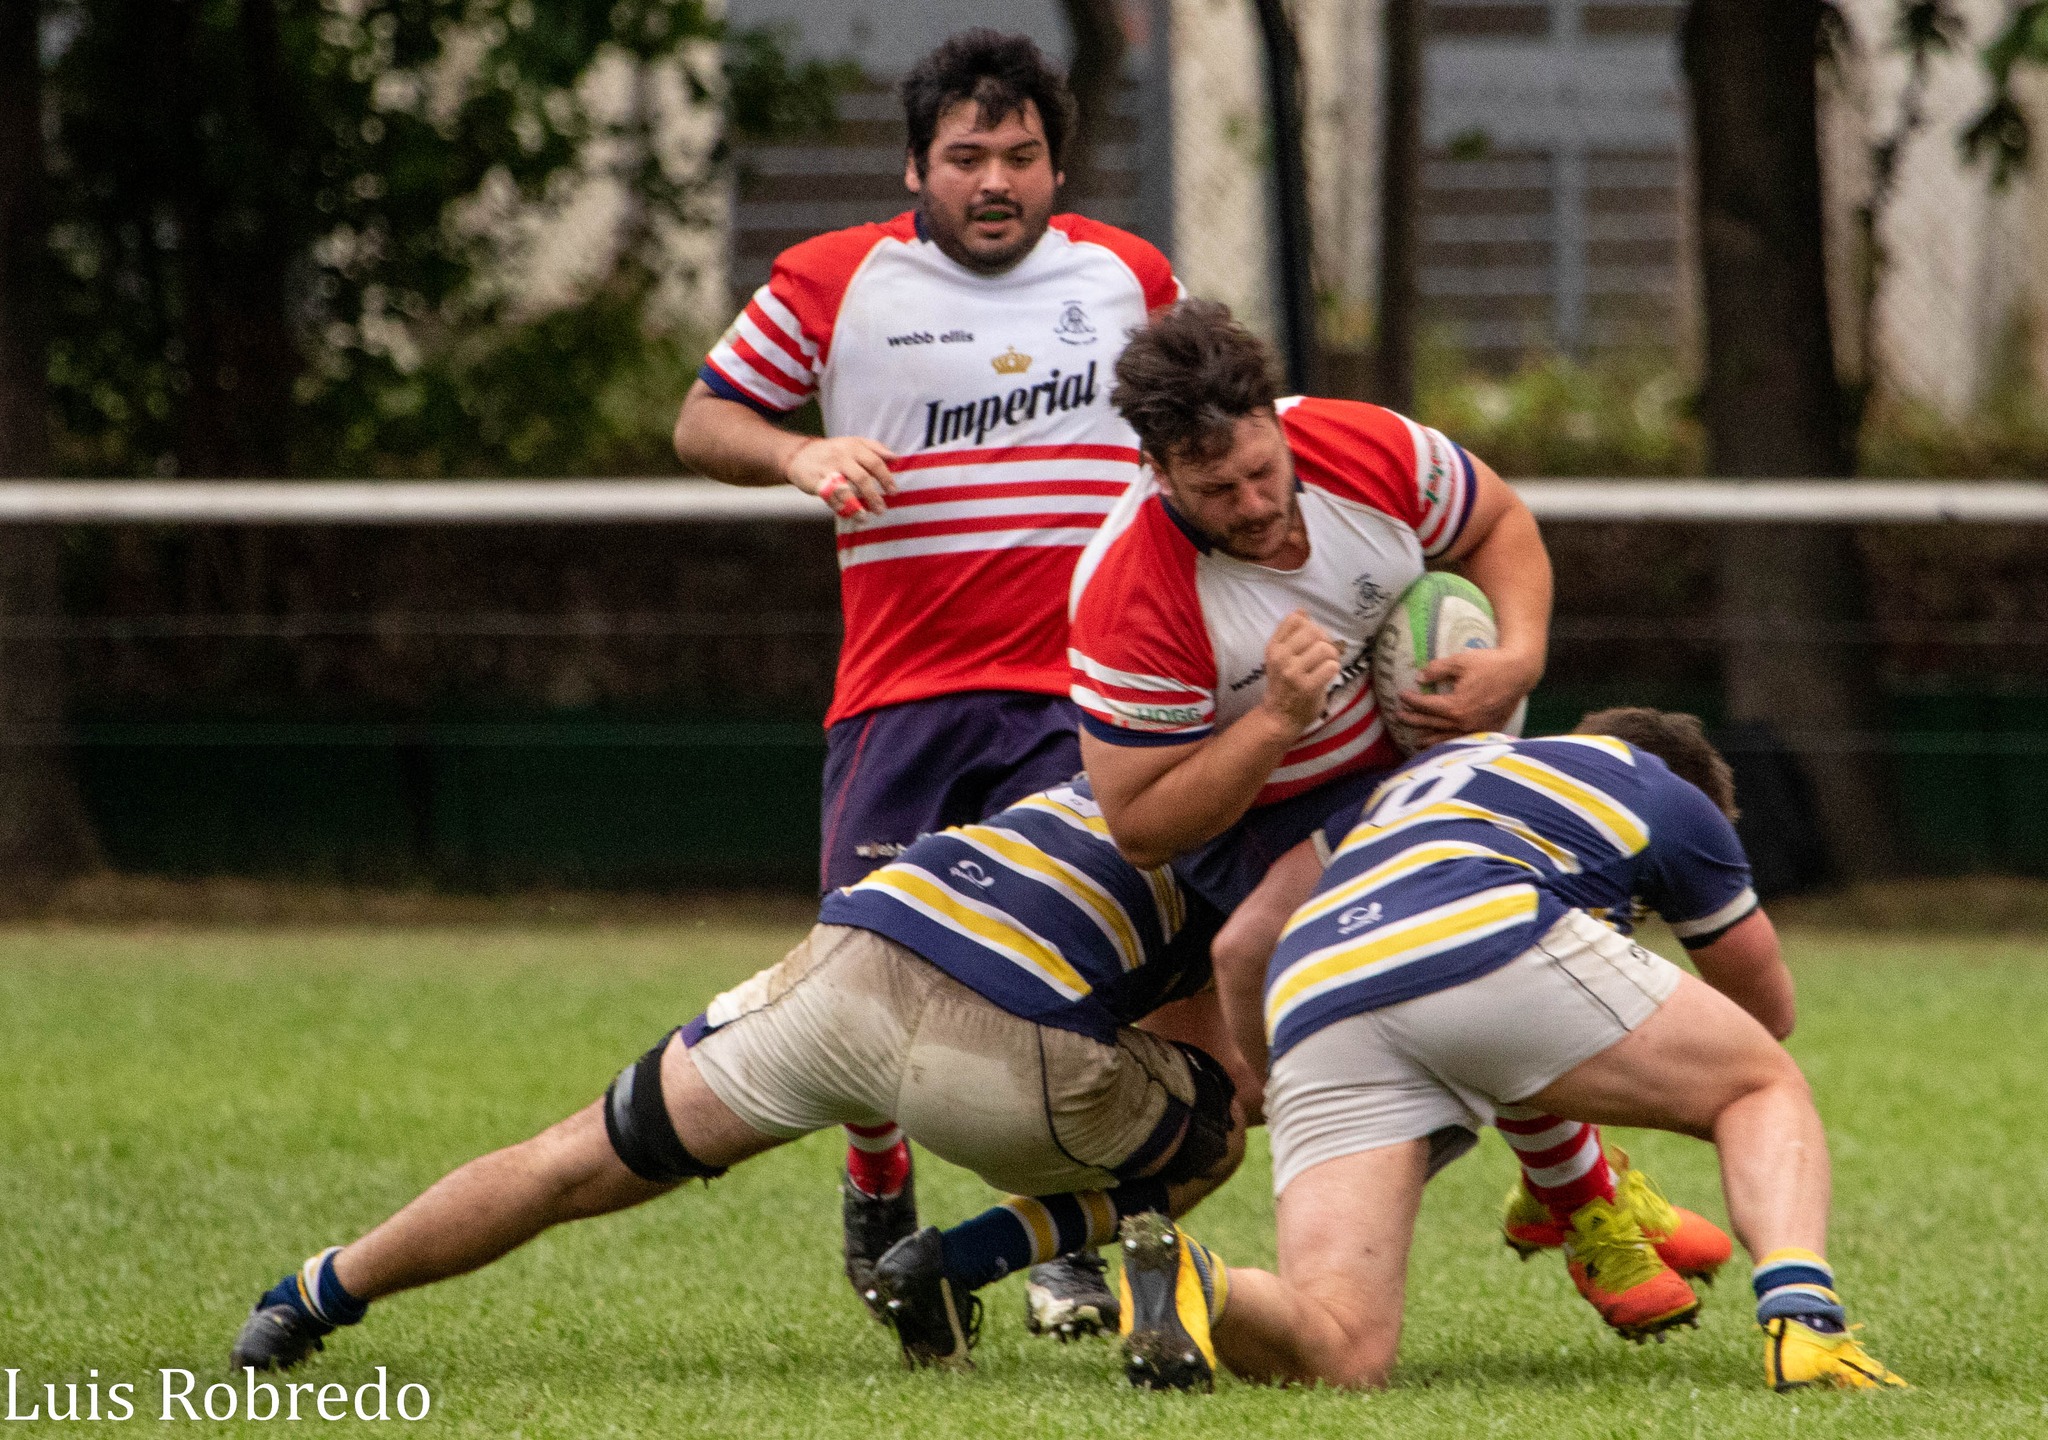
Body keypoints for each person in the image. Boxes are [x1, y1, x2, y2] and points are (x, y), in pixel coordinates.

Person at [1064, 300, 1725, 1310]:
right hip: (1256, 816)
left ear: (1276, 420)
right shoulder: (1130, 591)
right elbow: (1142, 825)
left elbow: (1497, 521)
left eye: (1262, 471)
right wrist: (1274, 721)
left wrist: (1517, 658)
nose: (1254, 504)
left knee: (1474, 951)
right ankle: (1575, 1188)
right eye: (1217, 491)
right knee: (1333, 976)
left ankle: (1580, 1199)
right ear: (1157, 472)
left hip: (1421, 757)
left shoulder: (1359, 448)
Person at [672, 30, 1184, 1326]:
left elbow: (1203, 427)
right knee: (865, 958)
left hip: (1082, 698)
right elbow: (703, 419)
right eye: (966, 156)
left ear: (1056, 166)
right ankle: (876, 1170)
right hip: (903, 698)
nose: (994, 179)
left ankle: (1061, 1245)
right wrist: (798, 457)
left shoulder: (1131, 277)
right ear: (916, 166)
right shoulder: (832, 278)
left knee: (1084, 971)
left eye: (1020, 154)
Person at [227, 781, 1244, 1377]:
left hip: (855, 954)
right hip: (1005, 1043)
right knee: (1216, 1136)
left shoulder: (1111, 762)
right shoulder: (1250, 836)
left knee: (571, 1159)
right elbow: (1216, 1065)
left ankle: (306, 1296)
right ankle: (959, 1260)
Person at [1114, 711, 1908, 1396]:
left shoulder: (1419, 779)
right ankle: (1806, 1323)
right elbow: (1767, 1014)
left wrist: (1289, 1088)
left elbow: (1246, 942)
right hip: (1483, 923)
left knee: (1344, 1348)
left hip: (1316, 984)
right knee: (1759, 1088)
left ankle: (1199, 1281)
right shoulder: (1661, 786)